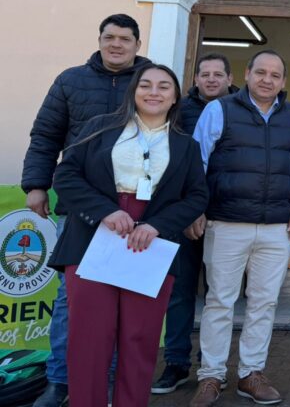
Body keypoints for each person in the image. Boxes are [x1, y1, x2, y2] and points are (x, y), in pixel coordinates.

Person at [47, 63, 208, 407]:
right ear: (133, 91)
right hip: (93, 237)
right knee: (89, 339)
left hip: (152, 243)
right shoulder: (99, 128)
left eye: (164, 86)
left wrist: (157, 225)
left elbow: (197, 196)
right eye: (145, 85)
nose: (154, 92)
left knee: (140, 339)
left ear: (175, 97)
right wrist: (105, 211)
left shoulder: (186, 146)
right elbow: (66, 176)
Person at [21, 13, 150, 407]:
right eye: (109, 37)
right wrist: (36, 184)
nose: (116, 44)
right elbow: (46, 135)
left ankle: (109, 379)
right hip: (79, 206)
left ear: (137, 44)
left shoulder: (150, 82)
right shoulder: (70, 81)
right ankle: (61, 381)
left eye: (124, 39)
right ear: (99, 40)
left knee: (124, 297)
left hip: (134, 208)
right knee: (70, 299)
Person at [189, 49, 290, 407]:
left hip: (276, 227)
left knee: (264, 302)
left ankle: (251, 374)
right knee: (219, 301)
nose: (267, 80)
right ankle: (211, 375)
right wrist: (195, 208)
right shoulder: (219, 110)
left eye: (275, 75)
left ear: (283, 81)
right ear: (246, 74)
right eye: (261, 72)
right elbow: (196, 161)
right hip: (226, 223)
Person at [151, 53, 237, 395]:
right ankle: (176, 362)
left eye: (218, 74)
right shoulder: (178, 111)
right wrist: (185, 211)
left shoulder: (241, 110)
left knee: (220, 293)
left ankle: (211, 364)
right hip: (182, 215)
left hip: (226, 214)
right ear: (196, 79)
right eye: (205, 74)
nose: (211, 79)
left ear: (230, 78)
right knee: (180, 291)